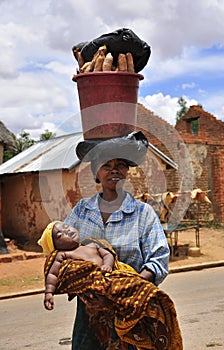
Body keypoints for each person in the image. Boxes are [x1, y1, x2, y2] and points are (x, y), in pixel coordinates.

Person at [63, 131, 175, 349]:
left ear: (127, 172)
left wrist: (126, 293)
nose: (114, 170)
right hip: (89, 313)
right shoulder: (81, 211)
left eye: (121, 165)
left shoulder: (143, 213)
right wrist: (85, 290)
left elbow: (158, 259)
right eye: (107, 164)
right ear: (96, 172)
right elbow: (64, 252)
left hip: (132, 312)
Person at [38, 220, 182, 349]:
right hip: (90, 316)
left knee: (152, 300)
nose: (66, 231)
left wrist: (129, 288)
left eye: (66, 227)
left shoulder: (143, 213)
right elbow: (54, 274)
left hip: (124, 294)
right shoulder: (80, 214)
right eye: (60, 235)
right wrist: (49, 293)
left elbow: (157, 257)